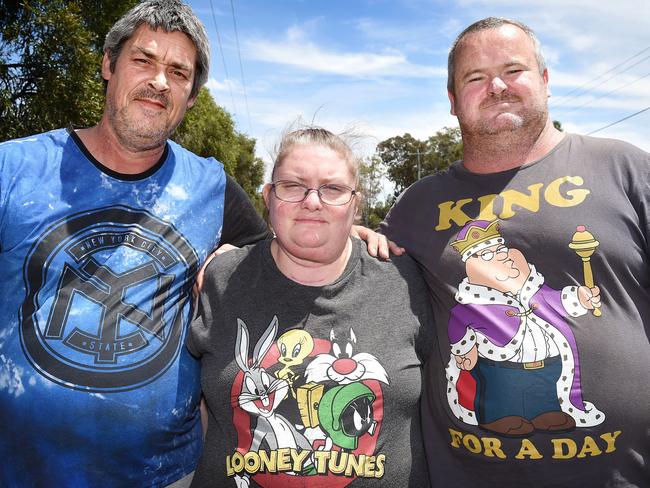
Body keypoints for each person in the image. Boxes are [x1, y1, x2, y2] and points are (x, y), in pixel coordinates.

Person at [0, 1, 270, 487]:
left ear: (190, 96)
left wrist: (341, 239)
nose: (159, 81)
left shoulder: (212, 186)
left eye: (178, 72)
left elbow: (277, 263)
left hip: (163, 476)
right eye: (143, 60)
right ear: (108, 65)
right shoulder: (11, 169)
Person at [379, 17, 650, 488]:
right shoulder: (415, 206)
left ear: (544, 81)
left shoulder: (626, 168)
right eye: (475, 78)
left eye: (513, 70)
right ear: (452, 100)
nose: (497, 87)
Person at [188, 127, 433, 487]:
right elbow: (203, 410)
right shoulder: (221, 278)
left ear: (355, 204)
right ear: (268, 197)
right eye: (293, 186)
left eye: (332, 189)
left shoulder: (405, 280)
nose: (312, 201)